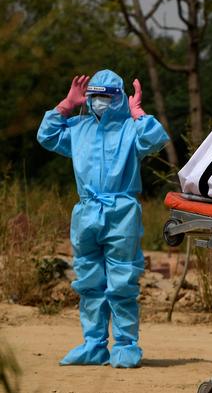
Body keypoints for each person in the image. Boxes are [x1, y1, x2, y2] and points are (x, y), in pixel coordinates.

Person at [37, 69, 170, 368]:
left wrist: (138, 114)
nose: (98, 102)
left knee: (122, 282)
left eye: (105, 96)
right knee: (88, 280)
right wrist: (65, 106)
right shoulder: (78, 127)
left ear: (118, 98)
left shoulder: (129, 129)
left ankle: (125, 345)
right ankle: (93, 344)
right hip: (86, 212)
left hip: (121, 210)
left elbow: (155, 139)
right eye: (93, 96)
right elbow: (46, 136)